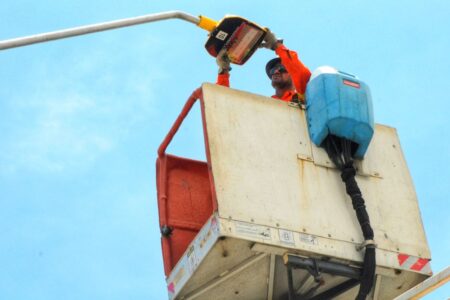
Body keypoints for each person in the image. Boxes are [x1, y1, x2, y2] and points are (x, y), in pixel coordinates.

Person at [216, 30, 311, 104]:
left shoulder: (302, 97)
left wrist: (276, 45)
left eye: (282, 68)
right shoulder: (266, 106)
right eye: (273, 70)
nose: (276, 72)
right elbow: (225, 104)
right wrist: (223, 71)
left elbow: (301, 73)